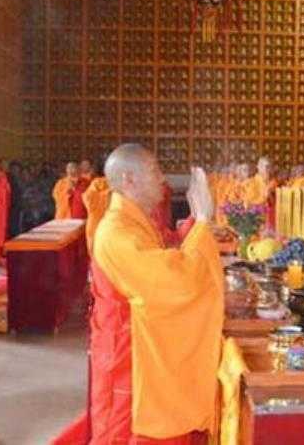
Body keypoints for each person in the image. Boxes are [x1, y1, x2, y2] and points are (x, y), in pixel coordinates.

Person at [55, 143, 223, 444]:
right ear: (129, 179)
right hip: (127, 354)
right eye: (155, 170)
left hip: (141, 345)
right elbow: (173, 281)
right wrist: (201, 223)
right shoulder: (115, 231)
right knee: (125, 433)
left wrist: (193, 223)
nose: (162, 178)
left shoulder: (136, 220)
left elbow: (167, 250)